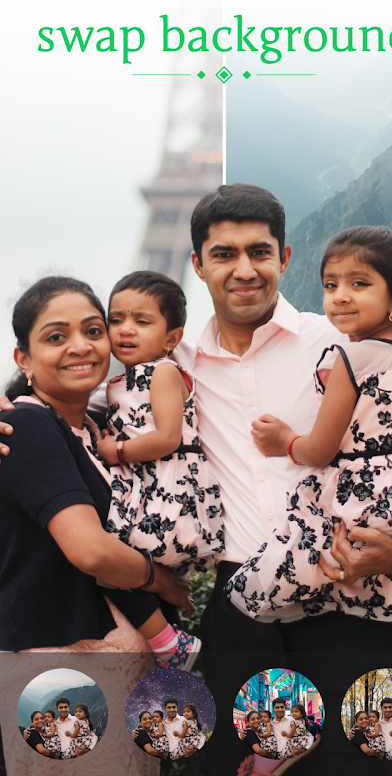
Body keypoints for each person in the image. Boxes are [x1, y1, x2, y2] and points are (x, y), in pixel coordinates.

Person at [1, 185, 392, 774]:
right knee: (227, 764)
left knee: (357, 761)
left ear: (284, 258)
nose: (244, 269)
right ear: (197, 264)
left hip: (353, 591)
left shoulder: (344, 342)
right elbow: (71, 414)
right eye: (223, 254)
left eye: (259, 252)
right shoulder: (172, 365)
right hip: (238, 604)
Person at [0, 277, 192, 776]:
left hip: (110, 668)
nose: (80, 346)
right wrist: (161, 580)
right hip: (61, 672)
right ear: (23, 359)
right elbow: (90, 551)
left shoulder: (95, 428)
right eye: (56, 336)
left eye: (92, 330)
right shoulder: (27, 426)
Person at [228, 225, 392, 620]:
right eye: (331, 285)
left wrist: (283, 440)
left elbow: (320, 450)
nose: (340, 296)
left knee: (255, 589)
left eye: (359, 283)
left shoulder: (351, 359)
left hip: (355, 492)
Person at [96, 271, 225, 668]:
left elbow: (168, 437)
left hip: (168, 489)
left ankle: (170, 642)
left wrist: (116, 452)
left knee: (110, 564)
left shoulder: (164, 372)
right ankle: (169, 638)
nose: (125, 329)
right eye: (116, 319)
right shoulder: (117, 381)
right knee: (113, 566)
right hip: (145, 488)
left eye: (142, 321)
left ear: (172, 338)